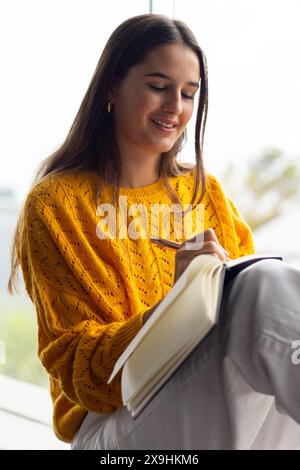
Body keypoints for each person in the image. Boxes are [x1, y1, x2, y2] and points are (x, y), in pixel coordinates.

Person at [8, 13, 300, 450]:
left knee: (268, 296)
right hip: (110, 421)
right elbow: (84, 375)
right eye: (158, 87)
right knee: (258, 287)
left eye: (189, 93)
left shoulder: (205, 191)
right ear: (111, 86)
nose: (176, 108)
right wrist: (176, 302)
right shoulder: (57, 204)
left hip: (200, 394)